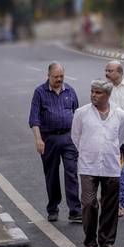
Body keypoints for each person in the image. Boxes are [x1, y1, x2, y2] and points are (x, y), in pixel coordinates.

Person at [71, 79, 124, 247]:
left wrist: (108, 151)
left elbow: (120, 138)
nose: (93, 95)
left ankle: (107, 243)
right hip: (88, 165)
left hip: (111, 165)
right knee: (89, 203)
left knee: (110, 206)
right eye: (92, 91)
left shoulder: (120, 115)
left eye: (98, 93)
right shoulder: (81, 113)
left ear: (107, 95)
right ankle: (89, 244)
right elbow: (76, 136)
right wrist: (89, 151)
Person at [28, 62, 82, 223]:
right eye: (56, 77)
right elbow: (34, 118)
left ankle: (75, 210)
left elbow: (77, 114)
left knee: (72, 172)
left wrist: (79, 139)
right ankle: (53, 208)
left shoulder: (70, 91)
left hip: (68, 138)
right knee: (51, 174)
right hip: (48, 139)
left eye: (61, 76)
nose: (59, 79)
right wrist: (38, 139)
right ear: (48, 76)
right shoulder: (39, 92)